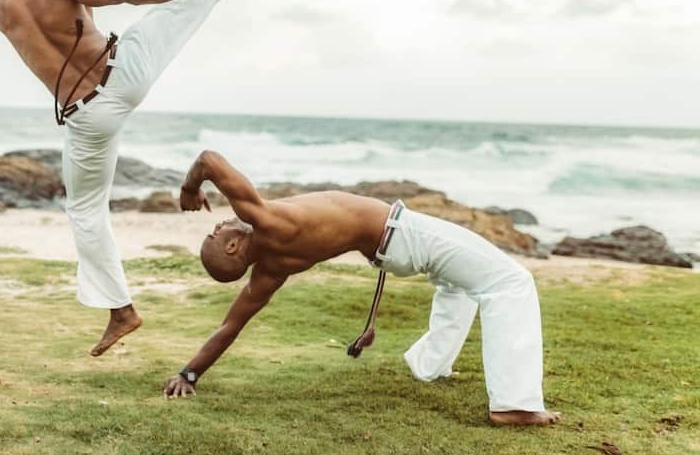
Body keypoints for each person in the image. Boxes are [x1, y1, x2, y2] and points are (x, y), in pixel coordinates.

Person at [0, 0, 238, 356]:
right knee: (163, 18)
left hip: (85, 116)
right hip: (121, 77)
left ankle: (121, 310)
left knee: (84, 210)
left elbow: (66, 32)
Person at [162, 150, 560, 427]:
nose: (217, 226)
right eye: (215, 235)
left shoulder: (269, 272)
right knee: (511, 282)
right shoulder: (264, 220)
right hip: (404, 235)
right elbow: (209, 160)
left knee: (457, 286)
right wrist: (188, 188)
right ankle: (515, 405)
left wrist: (190, 374)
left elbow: (229, 327)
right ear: (233, 246)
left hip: (392, 249)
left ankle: (429, 365)